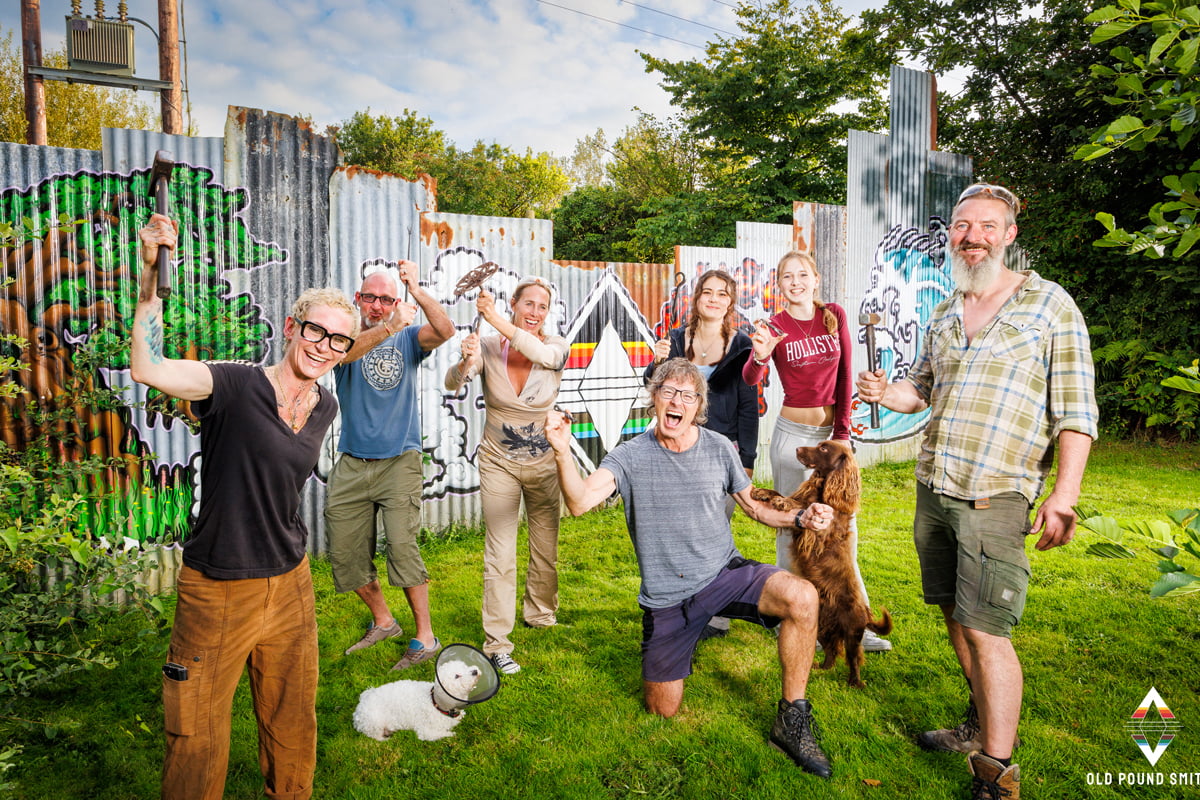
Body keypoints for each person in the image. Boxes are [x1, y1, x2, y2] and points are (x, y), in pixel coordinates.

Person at [856, 182, 1098, 800]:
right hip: (936, 487)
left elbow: (1077, 413)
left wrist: (1063, 495)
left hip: (997, 494)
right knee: (954, 614)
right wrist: (889, 395)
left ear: (1009, 235)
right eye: (963, 226)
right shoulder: (948, 309)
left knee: (988, 627)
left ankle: (998, 773)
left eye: (987, 226)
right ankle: (978, 722)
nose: (973, 237)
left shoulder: (1050, 306)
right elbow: (920, 387)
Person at [132, 213, 359, 800]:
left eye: (338, 340)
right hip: (218, 587)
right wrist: (150, 274)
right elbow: (148, 368)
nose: (323, 346)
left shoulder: (325, 406)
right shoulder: (233, 385)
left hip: (290, 582)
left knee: (292, 720)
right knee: (197, 733)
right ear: (292, 327)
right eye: (315, 331)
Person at [545, 358, 838, 779]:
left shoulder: (719, 447)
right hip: (667, 599)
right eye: (668, 391)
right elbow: (579, 502)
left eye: (687, 394)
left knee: (802, 596)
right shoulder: (629, 456)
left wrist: (799, 518)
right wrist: (560, 451)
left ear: (698, 405)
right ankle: (687, 634)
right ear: (654, 399)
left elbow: (754, 506)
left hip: (724, 574)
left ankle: (791, 718)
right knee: (662, 709)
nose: (676, 400)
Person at [743, 251, 892, 652]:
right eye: (787, 276)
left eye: (802, 275)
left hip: (833, 438)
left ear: (816, 279)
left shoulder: (835, 316)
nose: (796, 282)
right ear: (779, 284)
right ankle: (783, 613)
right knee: (791, 523)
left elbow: (845, 377)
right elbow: (750, 377)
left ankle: (856, 620)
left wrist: (843, 432)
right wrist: (759, 355)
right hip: (793, 438)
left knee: (845, 529)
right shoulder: (773, 325)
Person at [325, 263, 456, 670]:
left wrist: (416, 288)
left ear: (395, 301)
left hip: (400, 459)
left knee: (402, 547)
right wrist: (385, 327)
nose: (378, 306)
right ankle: (384, 621)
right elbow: (343, 354)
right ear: (358, 299)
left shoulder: (409, 339)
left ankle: (425, 637)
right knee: (345, 553)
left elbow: (446, 330)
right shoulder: (346, 337)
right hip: (351, 462)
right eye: (370, 298)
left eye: (386, 299)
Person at [444, 277, 568, 675]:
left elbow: (542, 356)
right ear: (515, 303)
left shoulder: (555, 346)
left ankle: (541, 612)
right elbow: (453, 382)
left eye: (541, 306)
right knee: (500, 553)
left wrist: (494, 318)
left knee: (544, 545)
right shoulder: (488, 345)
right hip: (497, 461)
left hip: (544, 463)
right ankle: (498, 641)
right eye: (527, 303)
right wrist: (465, 361)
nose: (534, 312)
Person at [644, 269, 758, 640]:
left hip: (720, 452)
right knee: (678, 532)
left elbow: (747, 404)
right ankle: (680, 605)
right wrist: (657, 361)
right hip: (677, 450)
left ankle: (717, 614)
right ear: (696, 299)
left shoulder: (741, 346)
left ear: (730, 302)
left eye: (721, 294)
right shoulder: (676, 340)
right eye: (706, 292)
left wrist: (747, 460)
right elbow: (654, 386)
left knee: (715, 531)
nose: (713, 299)